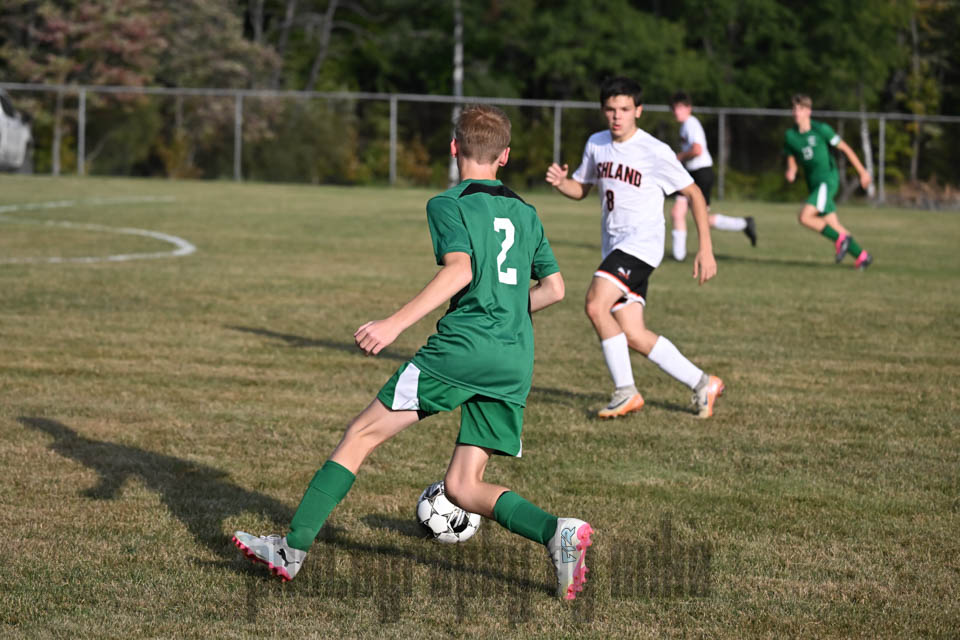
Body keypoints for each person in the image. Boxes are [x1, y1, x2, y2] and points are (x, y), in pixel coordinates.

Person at [233, 105, 594, 601]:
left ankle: (291, 550)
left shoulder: (449, 204)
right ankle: (559, 533)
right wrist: (507, 310)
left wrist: (393, 324)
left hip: (463, 350)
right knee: (464, 487)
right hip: (515, 359)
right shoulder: (527, 213)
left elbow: (459, 272)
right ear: (505, 156)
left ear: (453, 149)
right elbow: (554, 289)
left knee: (360, 434)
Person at [545, 77, 724, 420]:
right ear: (603, 111)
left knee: (596, 305)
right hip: (615, 246)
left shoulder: (654, 150)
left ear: (638, 111)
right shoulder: (596, 144)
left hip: (642, 245)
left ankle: (626, 391)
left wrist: (706, 248)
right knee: (633, 333)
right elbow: (581, 188)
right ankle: (704, 383)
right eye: (611, 110)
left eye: (625, 109)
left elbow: (695, 194)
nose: (617, 116)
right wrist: (560, 183)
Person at [783, 94, 873, 269]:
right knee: (833, 225)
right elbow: (791, 155)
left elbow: (845, 148)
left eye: (800, 109)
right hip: (813, 184)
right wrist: (791, 169)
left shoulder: (821, 129)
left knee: (805, 217)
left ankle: (841, 240)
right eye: (794, 108)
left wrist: (863, 172)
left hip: (827, 181)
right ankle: (862, 257)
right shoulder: (790, 135)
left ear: (809, 111)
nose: (796, 112)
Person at [669, 91, 756, 261]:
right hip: (690, 174)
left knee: (703, 219)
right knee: (677, 213)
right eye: (674, 108)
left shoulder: (691, 123)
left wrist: (679, 157)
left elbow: (697, 149)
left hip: (702, 173)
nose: (676, 112)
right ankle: (678, 255)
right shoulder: (684, 125)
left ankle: (744, 224)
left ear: (688, 108)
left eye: (680, 108)